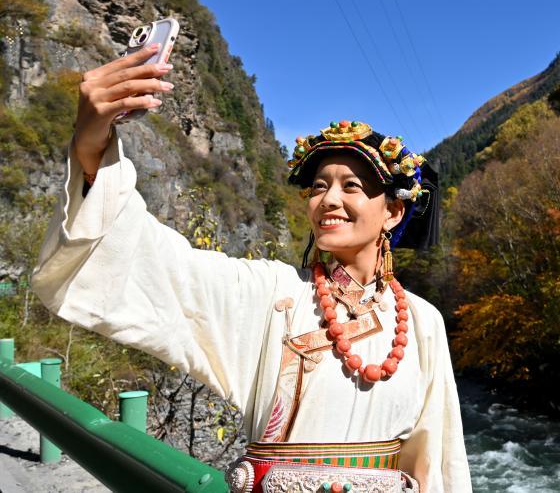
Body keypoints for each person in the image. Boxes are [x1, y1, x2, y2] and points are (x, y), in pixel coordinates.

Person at [30, 45, 472, 492]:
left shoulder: (421, 321)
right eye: (319, 186)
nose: (329, 200)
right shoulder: (271, 293)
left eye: (351, 186)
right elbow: (164, 266)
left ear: (393, 212)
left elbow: (439, 460)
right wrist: (92, 145)